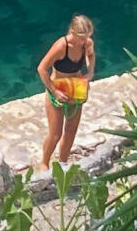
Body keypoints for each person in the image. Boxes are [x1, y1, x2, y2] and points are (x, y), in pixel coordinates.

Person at [36, 14, 97, 171]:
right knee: (55, 133)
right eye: (81, 38)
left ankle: (63, 162)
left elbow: (91, 54)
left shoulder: (87, 43)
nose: (84, 41)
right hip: (57, 88)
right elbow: (42, 69)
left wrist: (90, 72)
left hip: (76, 87)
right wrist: (54, 91)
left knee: (71, 130)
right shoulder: (61, 46)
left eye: (87, 37)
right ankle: (44, 162)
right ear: (72, 32)